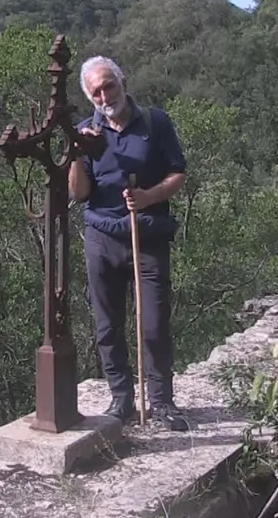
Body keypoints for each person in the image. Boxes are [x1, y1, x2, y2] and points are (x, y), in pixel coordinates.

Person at [69, 55, 189, 431]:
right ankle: (120, 400)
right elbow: (79, 192)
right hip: (101, 238)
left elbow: (177, 173)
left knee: (153, 324)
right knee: (107, 325)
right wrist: (76, 152)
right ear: (90, 98)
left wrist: (149, 197)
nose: (105, 96)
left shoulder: (155, 122)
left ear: (123, 82)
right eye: (96, 92)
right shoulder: (85, 131)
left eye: (109, 86)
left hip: (147, 235)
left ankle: (161, 402)